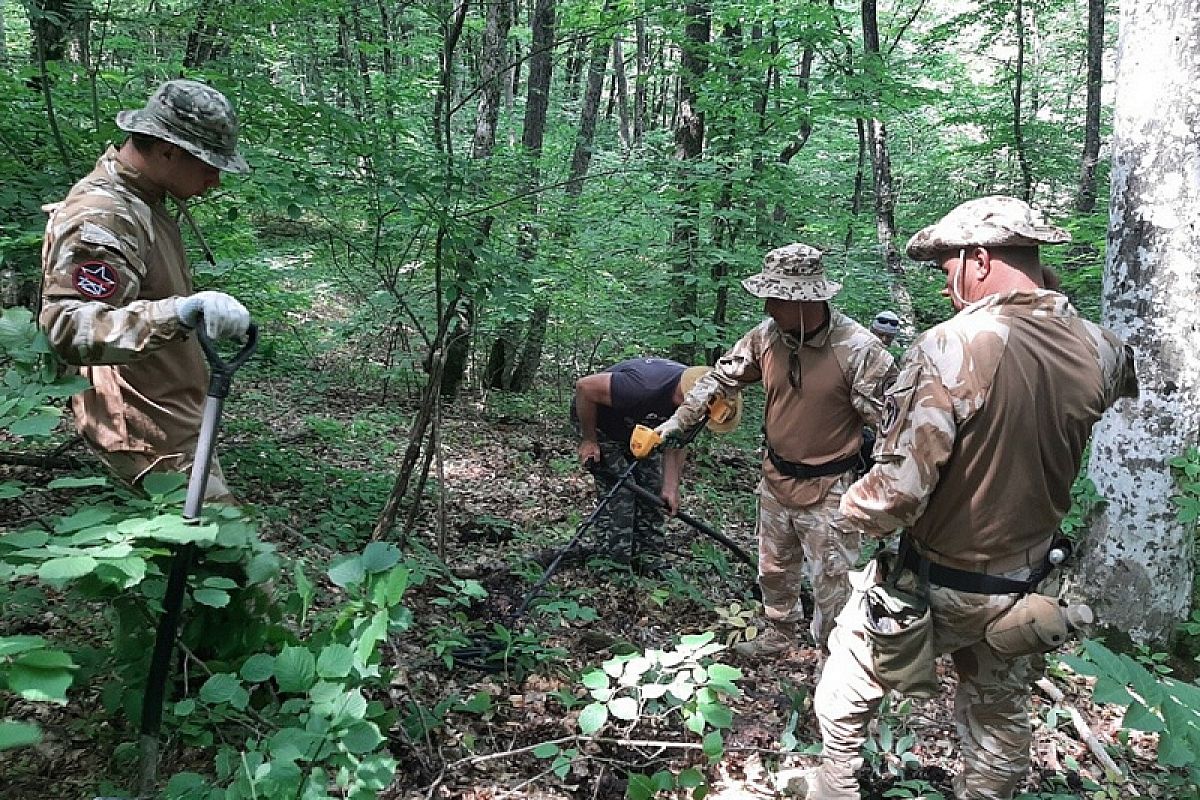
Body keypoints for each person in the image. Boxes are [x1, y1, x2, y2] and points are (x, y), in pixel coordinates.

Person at [798, 196, 1138, 799]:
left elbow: (895, 497)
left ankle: (835, 787)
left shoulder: (950, 347)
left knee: (844, 688)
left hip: (936, 581)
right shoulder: (1103, 349)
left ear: (979, 260)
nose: (945, 280)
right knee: (1000, 724)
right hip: (1028, 583)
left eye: (947, 265)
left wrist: (846, 507)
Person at [648, 244, 896, 654]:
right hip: (776, 479)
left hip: (831, 488)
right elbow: (720, 380)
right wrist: (674, 426)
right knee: (774, 569)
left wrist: (888, 496)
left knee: (832, 581)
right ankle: (779, 632)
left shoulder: (860, 351)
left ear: (805, 300)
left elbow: (894, 429)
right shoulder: (766, 337)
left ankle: (832, 657)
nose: (766, 306)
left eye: (775, 298)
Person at [39, 79, 252, 502]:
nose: (215, 180)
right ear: (167, 149)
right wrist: (179, 313)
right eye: (208, 165)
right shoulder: (104, 214)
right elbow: (68, 327)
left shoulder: (145, 200)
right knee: (239, 563)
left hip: (171, 423)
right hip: (145, 435)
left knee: (193, 560)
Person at [574, 359, 739, 571]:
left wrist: (670, 487)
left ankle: (649, 560)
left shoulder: (695, 411)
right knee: (622, 493)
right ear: (689, 400)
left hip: (644, 431)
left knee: (651, 493)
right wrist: (589, 440)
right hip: (600, 424)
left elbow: (677, 442)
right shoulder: (643, 387)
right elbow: (585, 388)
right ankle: (613, 565)